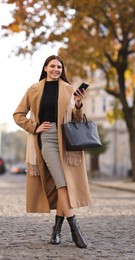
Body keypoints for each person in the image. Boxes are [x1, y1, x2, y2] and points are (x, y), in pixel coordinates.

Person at [13, 55, 91, 248]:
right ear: (46, 68)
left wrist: (78, 104)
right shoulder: (34, 89)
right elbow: (18, 114)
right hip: (47, 139)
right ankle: (75, 229)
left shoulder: (69, 89)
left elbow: (77, 118)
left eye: (59, 67)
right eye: (53, 66)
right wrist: (34, 127)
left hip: (66, 139)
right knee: (62, 183)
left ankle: (56, 232)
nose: (56, 69)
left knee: (61, 185)